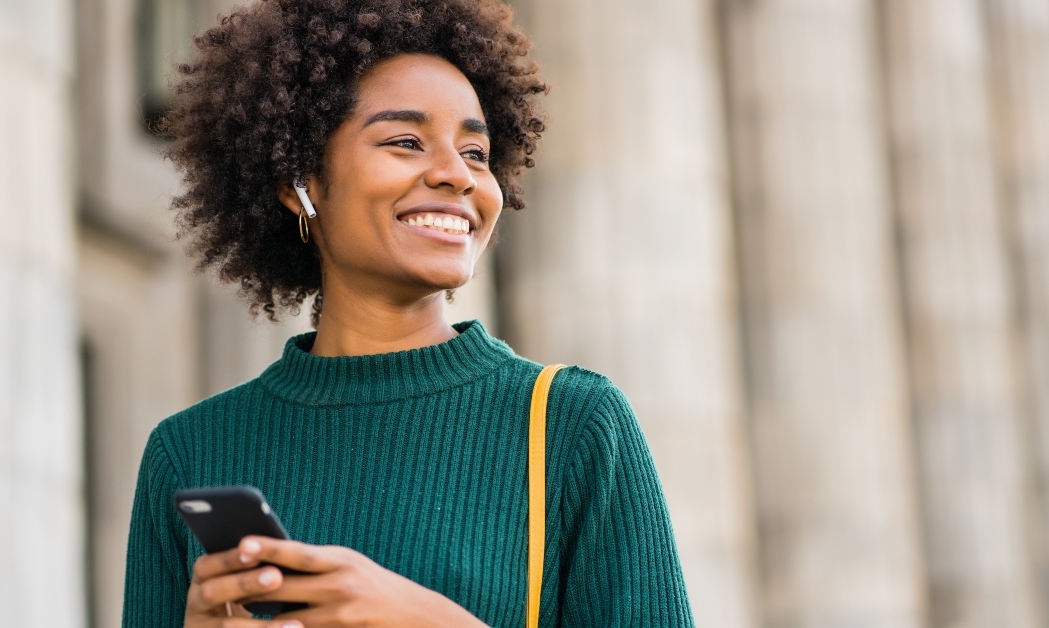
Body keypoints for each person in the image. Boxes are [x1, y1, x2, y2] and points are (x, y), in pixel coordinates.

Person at [122, 0, 694, 626]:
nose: (456, 175)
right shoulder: (191, 451)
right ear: (299, 183)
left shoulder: (571, 423)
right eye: (405, 141)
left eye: (476, 152)